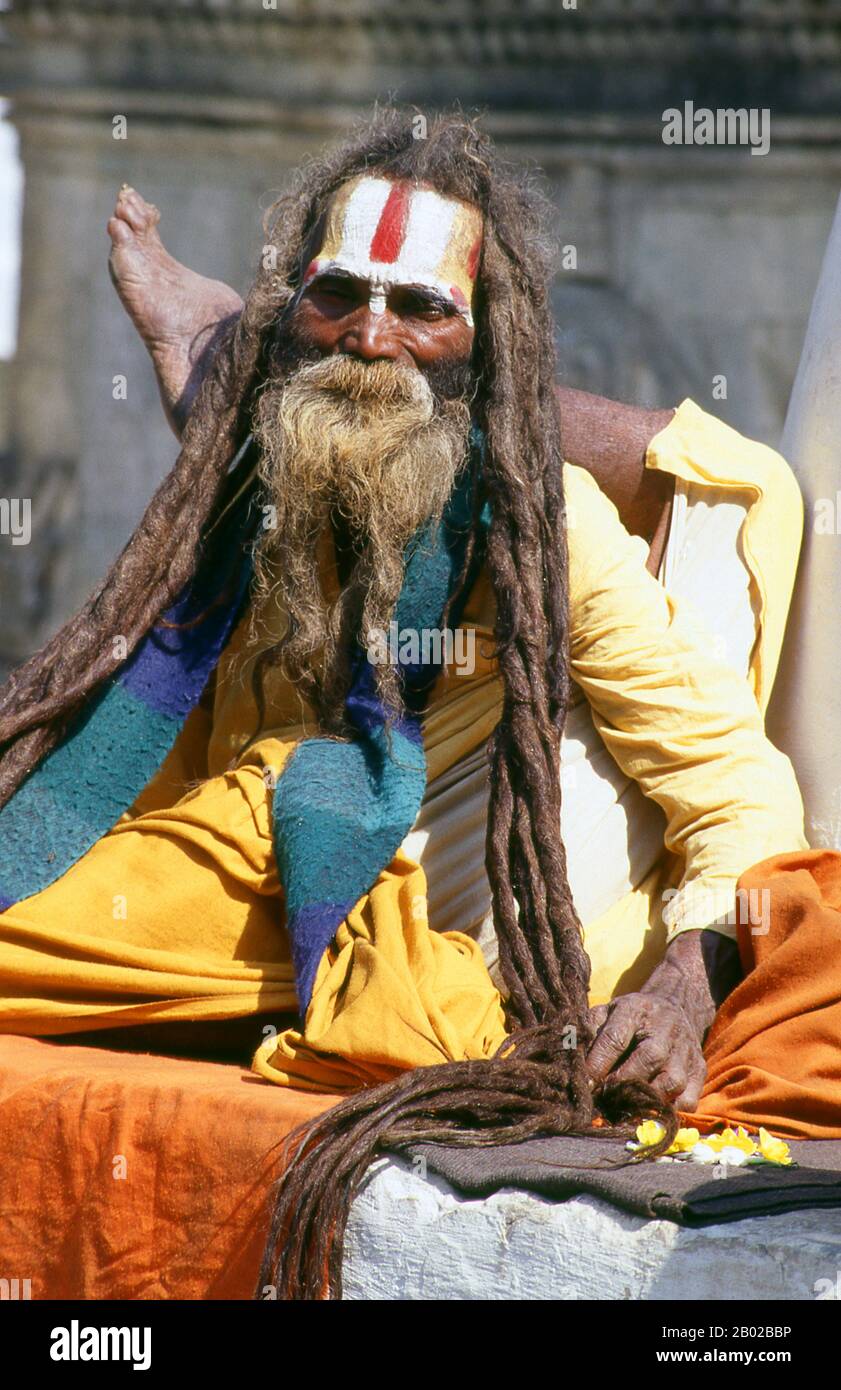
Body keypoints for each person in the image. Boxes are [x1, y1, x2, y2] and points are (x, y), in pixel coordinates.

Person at [0, 109, 821, 1298]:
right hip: (263, 848)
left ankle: (222, 339)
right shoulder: (266, 476)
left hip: (372, 885)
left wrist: (685, 984)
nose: (371, 336)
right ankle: (223, 345)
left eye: (422, 308)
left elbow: (736, 785)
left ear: (485, 345)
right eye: (337, 294)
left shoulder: (552, 529)